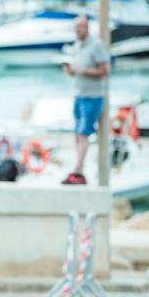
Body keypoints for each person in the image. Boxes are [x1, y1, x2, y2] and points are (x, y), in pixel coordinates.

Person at [61, 14, 110, 185]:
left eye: (80, 27)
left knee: (83, 133)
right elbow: (77, 70)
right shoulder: (77, 45)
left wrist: (82, 70)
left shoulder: (96, 45)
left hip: (93, 96)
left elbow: (105, 70)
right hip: (79, 94)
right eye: (75, 28)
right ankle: (78, 167)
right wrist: (71, 71)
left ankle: (78, 170)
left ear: (87, 27)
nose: (77, 31)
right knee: (77, 133)